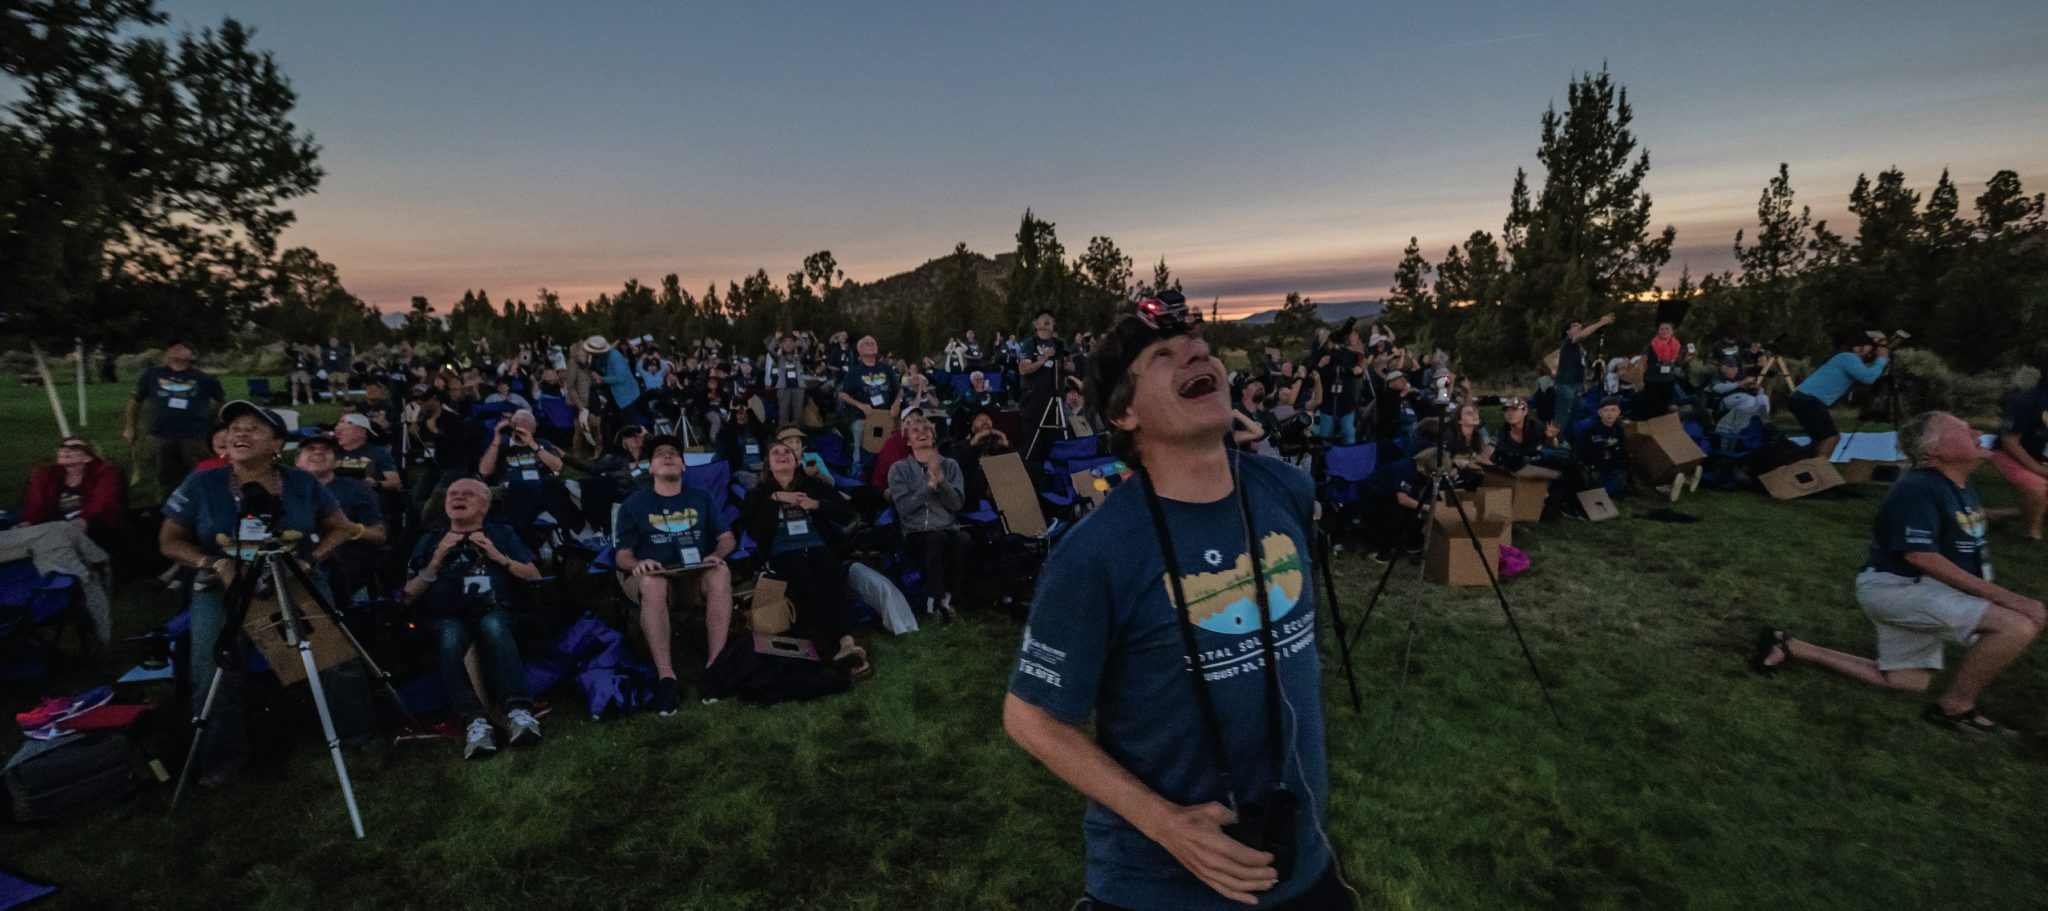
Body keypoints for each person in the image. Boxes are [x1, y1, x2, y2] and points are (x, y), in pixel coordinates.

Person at [1003, 304, 1347, 910]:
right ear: (1123, 412)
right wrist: (1164, 824)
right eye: (1163, 355)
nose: (1196, 354)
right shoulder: (1096, 554)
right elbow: (1030, 716)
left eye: (1199, 344)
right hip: (1160, 887)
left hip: (1301, 864)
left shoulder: (1283, 490)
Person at [1754, 411, 2044, 735]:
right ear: (1933, 451)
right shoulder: (1919, 488)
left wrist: (2011, 514)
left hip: (1914, 587)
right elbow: (1920, 556)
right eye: (1962, 430)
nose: (1977, 432)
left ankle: (1789, 645)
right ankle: (1954, 709)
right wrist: (2012, 600)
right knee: (2016, 625)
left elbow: (1955, 527)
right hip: (1899, 589)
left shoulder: (1957, 484)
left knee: (1906, 681)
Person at [157, 401, 370, 783]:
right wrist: (215, 564)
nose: (240, 433)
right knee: (214, 670)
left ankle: (358, 740)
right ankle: (222, 759)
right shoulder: (202, 484)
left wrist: (309, 560)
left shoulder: (302, 483)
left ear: (277, 443)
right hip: (222, 586)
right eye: (235, 427)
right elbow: (169, 540)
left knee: (335, 660)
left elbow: (340, 527)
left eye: (254, 428)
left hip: (292, 578)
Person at [401, 478, 544, 759]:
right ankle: (474, 722)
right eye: (452, 493)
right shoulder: (430, 540)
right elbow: (407, 596)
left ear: (485, 506)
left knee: (492, 624)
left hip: (494, 607)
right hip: (445, 614)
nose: (458, 497)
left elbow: (534, 575)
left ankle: (518, 711)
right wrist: (437, 559)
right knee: (452, 635)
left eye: (468, 493)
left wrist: (498, 556)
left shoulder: (501, 533)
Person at [614, 435, 736, 714]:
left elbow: (727, 537)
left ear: (683, 465)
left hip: (694, 572)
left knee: (720, 573)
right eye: (660, 454)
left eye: (673, 453)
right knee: (652, 583)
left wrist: (717, 555)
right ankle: (666, 677)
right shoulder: (634, 504)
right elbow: (621, 554)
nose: (668, 456)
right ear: (650, 467)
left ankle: (714, 667)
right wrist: (639, 562)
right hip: (653, 575)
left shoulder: (701, 497)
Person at [743, 441, 869, 676]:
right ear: (768, 464)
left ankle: (846, 643)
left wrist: (817, 504)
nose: (782, 455)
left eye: (787, 452)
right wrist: (775, 500)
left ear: (796, 460)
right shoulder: (759, 493)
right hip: (783, 550)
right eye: (775, 453)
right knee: (809, 585)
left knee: (832, 580)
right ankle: (836, 647)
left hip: (817, 544)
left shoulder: (813, 486)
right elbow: (756, 532)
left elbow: (846, 513)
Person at [888, 414, 969, 621]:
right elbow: (904, 508)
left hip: (947, 527)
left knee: (961, 539)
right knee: (937, 538)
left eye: (926, 430)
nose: (922, 432)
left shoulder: (950, 465)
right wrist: (929, 487)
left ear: (933, 437)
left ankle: (948, 600)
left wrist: (942, 483)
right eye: (915, 430)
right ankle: (934, 600)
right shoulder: (899, 469)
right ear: (908, 441)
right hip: (916, 531)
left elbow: (957, 504)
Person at [125, 342, 226, 501]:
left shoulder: (204, 378)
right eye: (173, 346)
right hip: (161, 434)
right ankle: (167, 509)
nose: (177, 348)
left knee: (200, 473)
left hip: (194, 434)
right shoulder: (152, 375)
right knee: (165, 476)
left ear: (192, 355)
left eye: (184, 347)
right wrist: (130, 427)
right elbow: (134, 402)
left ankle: (202, 504)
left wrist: (213, 422)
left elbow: (221, 402)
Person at [293, 434, 387, 602]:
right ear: (297, 461)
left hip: (342, 565)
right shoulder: (285, 490)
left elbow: (379, 535)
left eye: (326, 450)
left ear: (335, 461)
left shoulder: (357, 489)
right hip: (293, 561)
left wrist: (352, 530)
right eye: (310, 449)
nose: (318, 453)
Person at [1788, 333, 1889, 460]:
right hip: (1808, 399)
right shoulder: (1848, 357)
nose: (1873, 351)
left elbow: (1870, 374)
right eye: (1871, 347)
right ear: (1856, 348)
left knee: (1820, 439)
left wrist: (1881, 361)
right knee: (1831, 437)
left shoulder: (1849, 360)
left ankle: (1804, 465)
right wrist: (1881, 360)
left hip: (1803, 399)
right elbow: (1868, 377)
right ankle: (1820, 472)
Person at [21, 437, 127, 550]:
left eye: (74, 447)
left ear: (88, 457)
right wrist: (29, 521)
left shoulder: (105, 474)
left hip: (93, 525)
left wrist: (83, 519)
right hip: (54, 525)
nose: (65, 450)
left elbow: (102, 501)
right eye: (63, 446)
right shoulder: (46, 475)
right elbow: (35, 503)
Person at [1992, 356, 2048, 541]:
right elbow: (2010, 442)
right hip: (2011, 454)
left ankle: (1996, 515)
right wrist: (2037, 469)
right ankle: (2031, 536)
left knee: (2040, 500)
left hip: (2041, 456)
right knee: (2037, 489)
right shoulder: (2027, 400)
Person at [837, 336, 900, 475]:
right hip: (864, 416)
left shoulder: (886, 369)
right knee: (859, 429)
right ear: (859, 350)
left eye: (873, 343)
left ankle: (891, 467)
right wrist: (859, 405)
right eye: (866, 343)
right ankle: (857, 465)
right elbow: (842, 394)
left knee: (891, 436)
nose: (870, 345)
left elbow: (899, 389)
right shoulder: (854, 371)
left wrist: (896, 403)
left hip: (885, 415)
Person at [1018, 308, 1069, 465]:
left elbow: (1071, 366)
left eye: (1050, 318)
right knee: (1032, 441)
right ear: (1035, 323)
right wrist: (1043, 359)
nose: (1047, 319)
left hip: (1055, 398)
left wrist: (1066, 364)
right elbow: (1023, 369)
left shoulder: (1059, 345)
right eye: (1043, 317)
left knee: (1054, 439)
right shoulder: (1030, 343)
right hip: (1034, 399)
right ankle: (1028, 473)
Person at [1553, 314, 1615, 443]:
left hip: (1576, 385)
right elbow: (1581, 335)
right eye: (1574, 326)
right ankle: (1555, 441)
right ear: (1567, 331)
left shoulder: (1579, 348)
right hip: (1566, 385)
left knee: (1574, 415)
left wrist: (1584, 382)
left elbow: (1580, 366)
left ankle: (1567, 440)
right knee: (1562, 415)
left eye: (1579, 325)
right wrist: (1600, 323)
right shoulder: (1568, 342)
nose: (1578, 327)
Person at [333, 414, 403, 495]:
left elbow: (395, 482)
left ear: (362, 432)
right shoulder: (331, 452)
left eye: (343, 431)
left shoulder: (378, 453)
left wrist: (376, 483)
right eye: (337, 431)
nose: (338, 434)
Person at [1577, 397, 1629, 496]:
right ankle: (1602, 489)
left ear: (1619, 412)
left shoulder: (1618, 429)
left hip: (1614, 459)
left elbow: (1621, 445)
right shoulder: (1593, 428)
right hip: (1596, 458)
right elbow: (1589, 446)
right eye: (1605, 410)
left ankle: (1610, 486)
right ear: (1599, 413)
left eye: (1613, 410)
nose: (1610, 414)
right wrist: (1605, 444)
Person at [1639, 321, 1684, 417]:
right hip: (1652, 380)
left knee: (1664, 408)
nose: (1664, 331)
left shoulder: (1676, 345)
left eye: (1667, 328)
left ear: (1672, 331)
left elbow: (1678, 363)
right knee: (1652, 408)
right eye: (1661, 329)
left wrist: (1686, 359)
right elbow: (1642, 362)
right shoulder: (1651, 345)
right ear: (1658, 331)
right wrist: (1640, 379)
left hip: (1668, 380)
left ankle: (1661, 428)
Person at [767, 333, 808, 428]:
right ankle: (783, 433)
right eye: (785, 343)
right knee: (783, 413)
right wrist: (776, 338)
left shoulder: (798, 358)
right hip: (783, 389)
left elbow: (806, 349)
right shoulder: (779, 359)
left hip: (798, 389)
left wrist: (799, 337)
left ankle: (796, 433)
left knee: (798, 414)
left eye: (790, 343)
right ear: (782, 346)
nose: (788, 345)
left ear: (794, 346)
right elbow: (770, 349)